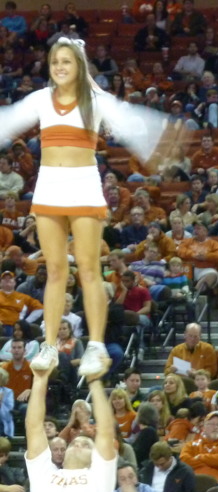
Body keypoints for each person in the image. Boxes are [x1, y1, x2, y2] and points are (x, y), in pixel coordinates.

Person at [0, 37, 166, 377]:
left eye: (68, 61)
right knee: (56, 270)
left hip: (84, 187)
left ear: (79, 67)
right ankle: (48, 345)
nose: (60, 66)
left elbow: (129, 120)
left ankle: (95, 345)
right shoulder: (40, 99)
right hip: (48, 187)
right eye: (55, 61)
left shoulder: (94, 100)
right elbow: (6, 122)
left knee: (89, 270)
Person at [25, 355, 117, 492]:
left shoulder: (99, 476)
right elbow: (34, 427)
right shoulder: (46, 472)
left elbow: (106, 430)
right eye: (74, 443)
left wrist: (94, 381)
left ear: (95, 457)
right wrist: (39, 380)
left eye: (86, 445)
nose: (78, 444)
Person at [180, 411, 218, 484]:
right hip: (192, 484)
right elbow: (184, 460)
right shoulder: (190, 445)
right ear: (204, 428)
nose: (215, 427)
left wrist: (200, 457)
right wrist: (216, 465)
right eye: (211, 424)